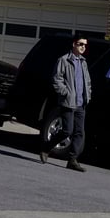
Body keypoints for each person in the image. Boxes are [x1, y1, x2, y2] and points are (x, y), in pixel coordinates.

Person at [39, 38, 91, 172]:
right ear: (74, 44)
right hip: (68, 102)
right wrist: (65, 93)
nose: (83, 47)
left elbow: (87, 81)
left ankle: (72, 160)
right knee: (67, 130)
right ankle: (46, 147)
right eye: (80, 44)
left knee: (80, 133)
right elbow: (57, 79)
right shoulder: (64, 60)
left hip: (81, 103)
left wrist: (88, 94)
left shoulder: (83, 62)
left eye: (85, 45)